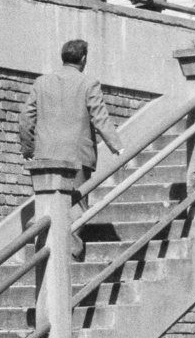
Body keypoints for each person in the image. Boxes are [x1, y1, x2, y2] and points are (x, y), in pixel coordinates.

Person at [18, 38, 124, 260]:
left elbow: (26, 118)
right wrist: (117, 146)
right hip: (76, 157)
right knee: (75, 206)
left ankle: (45, 252)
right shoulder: (88, 83)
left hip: (45, 157)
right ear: (84, 59)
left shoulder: (41, 83)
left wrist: (28, 149)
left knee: (46, 205)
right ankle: (70, 256)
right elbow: (100, 117)